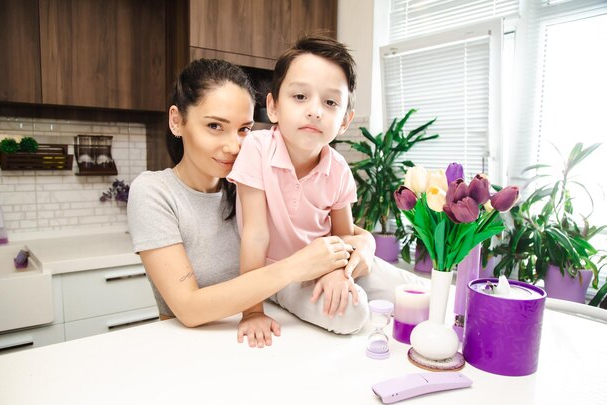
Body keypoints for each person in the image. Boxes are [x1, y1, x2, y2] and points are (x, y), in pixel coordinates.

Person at [127, 58, 377, 348]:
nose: (234, 146)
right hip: (192, 346)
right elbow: (188, 308)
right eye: (214, 126)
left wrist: (367, 245)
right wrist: (296, 266)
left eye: (244, 129)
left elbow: (347, 232)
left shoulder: (247, 184)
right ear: (176, 120)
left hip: (264, 338)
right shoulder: (154, 192)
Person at [227, 36, 417, 339]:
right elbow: (255, 234)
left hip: (330, 263)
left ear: (344, 121)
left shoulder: (339, 168)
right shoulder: (257, 148)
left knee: (417, 291)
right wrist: (252, 311)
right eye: (300, 96)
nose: (315, 110)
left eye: (330, 102)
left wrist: (337, 274)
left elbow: (343, 235)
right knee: (351, 313)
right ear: (273, 107)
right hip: (282, 275)